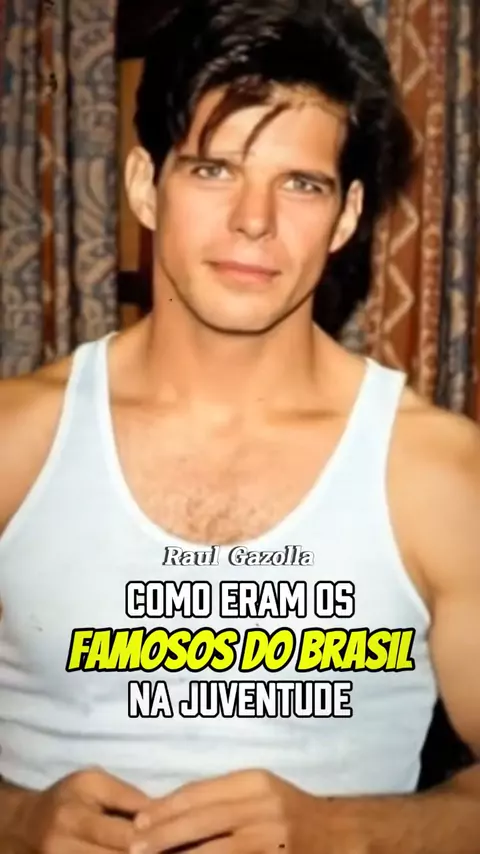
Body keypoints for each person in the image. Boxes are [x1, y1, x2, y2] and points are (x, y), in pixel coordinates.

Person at [0, 0, 479, 851]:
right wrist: (16, 820)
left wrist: (345, 830)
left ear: (346, 216)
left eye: (300, 183)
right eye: (215, 169)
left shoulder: (437, 475)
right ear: (145, 186)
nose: (254, 220)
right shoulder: (16, 440)